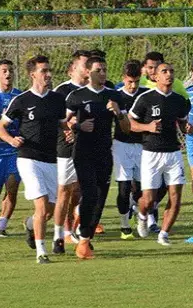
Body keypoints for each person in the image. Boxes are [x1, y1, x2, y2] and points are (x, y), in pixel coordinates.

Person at [0, 55, 66, 264]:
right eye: (44, 71)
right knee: (42, 205)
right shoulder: (22, 100)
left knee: (49, 212)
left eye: (49, 70)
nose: (48, 74)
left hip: (51, 159)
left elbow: (63, 125)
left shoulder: (57, 100)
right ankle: (41, 252)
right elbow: (0, 127)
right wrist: (10, 140)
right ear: (32, 74)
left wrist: (70, 131)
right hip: (28, 158)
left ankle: (29, 224)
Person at [65, 56, 129, 259]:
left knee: (101, 197)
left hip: (104, 152)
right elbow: (63, 123)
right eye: (98, 70)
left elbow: (126, 127)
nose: (102, 73)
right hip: (83, 152)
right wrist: (77, 126)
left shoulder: (114, 96)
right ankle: (83, 239)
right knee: (90, 193)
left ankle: (86, 237)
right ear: (88, 73)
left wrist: (118, 113)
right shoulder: (76, 96)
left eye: (104, 69)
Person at [129, 62, 190, 246]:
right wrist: (147, 126)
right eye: (164, 71)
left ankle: (163, 234)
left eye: (171, 71)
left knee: (176, 196)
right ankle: (141, 215)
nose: (169, 74)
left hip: (173, 153)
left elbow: (182, 122)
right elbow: (130, 123)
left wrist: (186, 127)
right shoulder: (145, 99)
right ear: (155, 76)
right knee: (148, 200)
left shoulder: (179, 100)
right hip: (151, 153)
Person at [51, 50, 89, 253]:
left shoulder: (95, 89)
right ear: (73, 68)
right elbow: (53, 118)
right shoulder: (62, 91)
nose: (89, 69)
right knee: (64, 192)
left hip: (89, 148)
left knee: (84, 192)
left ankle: (74, 230)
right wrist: (67, 126)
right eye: (85, 65)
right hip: (66, 149)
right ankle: (59, 235)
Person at [113, 60, 148, 240]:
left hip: (143, 147)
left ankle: (135, 207)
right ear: (123, 79)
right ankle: (124, 225)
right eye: (129, 82)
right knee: (123, 187)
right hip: (121, 145)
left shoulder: (145, 95)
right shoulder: (116, 96)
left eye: (136, 81)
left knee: (142, 190)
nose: (133, 86)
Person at [0, 60, 22, 237]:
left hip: (14, 150)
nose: (8, 74)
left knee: (12, 188)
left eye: (10, 70)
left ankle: (1, 226)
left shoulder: (19, 96)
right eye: (4, 71)